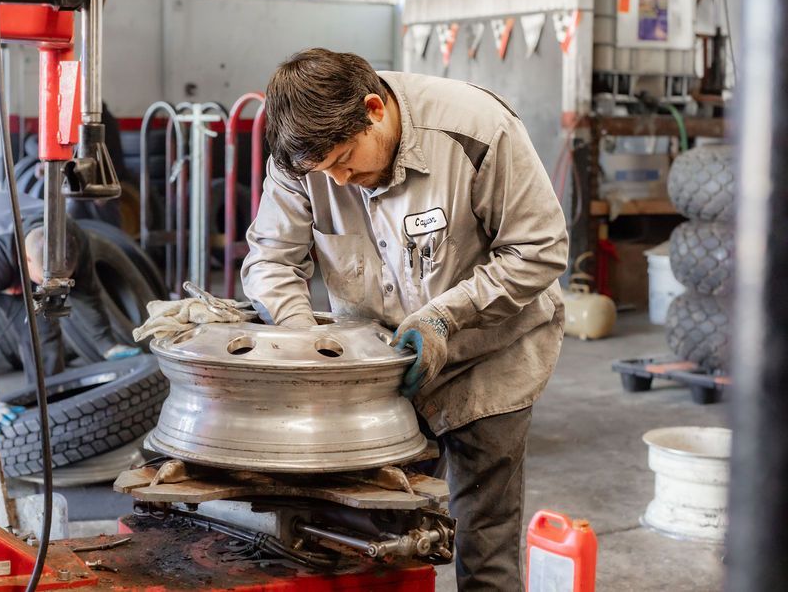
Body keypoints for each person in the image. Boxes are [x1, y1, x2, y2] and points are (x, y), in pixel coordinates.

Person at [242, 48, 568, 589]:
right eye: (325, 172)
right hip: (379, 371)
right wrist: (303, 341)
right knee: (373, 537)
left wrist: (445, 317)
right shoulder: (302, 159)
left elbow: (539, 250)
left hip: (488, 359)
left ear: (374, 109)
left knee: (483, 542)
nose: (340, 182)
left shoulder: (478, 130)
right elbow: (272, 261)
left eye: (345, 159)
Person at [0, 192, 139, 398]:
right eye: (45, 282)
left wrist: (107, 344)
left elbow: (87, 294)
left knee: (43, 332)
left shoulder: (73, 238)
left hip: (9, 247)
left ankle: (50, 400)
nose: (50, 288)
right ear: (25, 260)